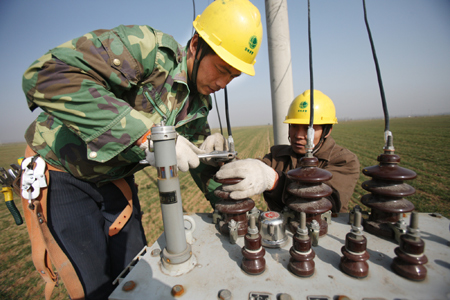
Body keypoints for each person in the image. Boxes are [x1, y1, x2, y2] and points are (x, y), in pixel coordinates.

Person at [20, 1, 263, 299]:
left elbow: (202, 169)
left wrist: (235, 204)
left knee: (138, 276)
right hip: (63, 174)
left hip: (116, 179)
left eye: (234, 77)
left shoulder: (199, 105)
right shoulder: (145, 50)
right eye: (222, 69)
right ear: (196, 45)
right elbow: (46, 75)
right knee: (95, 287)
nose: (223, 83)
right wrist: (145, 137)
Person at [215, 89, 360, 213]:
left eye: (309, 129)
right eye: (294, 126)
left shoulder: (344, 161)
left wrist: (276, 181)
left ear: (327, 131)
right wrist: (224, 157)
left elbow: (327, 202)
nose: (298, 135)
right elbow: (249, 171)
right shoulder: (278, 156)